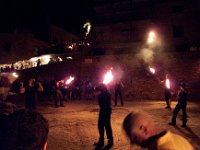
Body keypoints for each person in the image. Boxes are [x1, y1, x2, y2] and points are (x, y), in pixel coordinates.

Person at [123, 111, 193, 150]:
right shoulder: (179, 139)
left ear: (144, 129)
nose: (136, 144)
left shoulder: (163, 148)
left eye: (134, 139)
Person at [94, 83, 113, 150]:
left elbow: (104, 103)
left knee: (106, 126)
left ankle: (110, 140)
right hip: (104, 110)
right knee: (101, 126)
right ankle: (102, 141)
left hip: (106, 111)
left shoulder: (106, 94)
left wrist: (99, 94)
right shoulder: (105, 93)